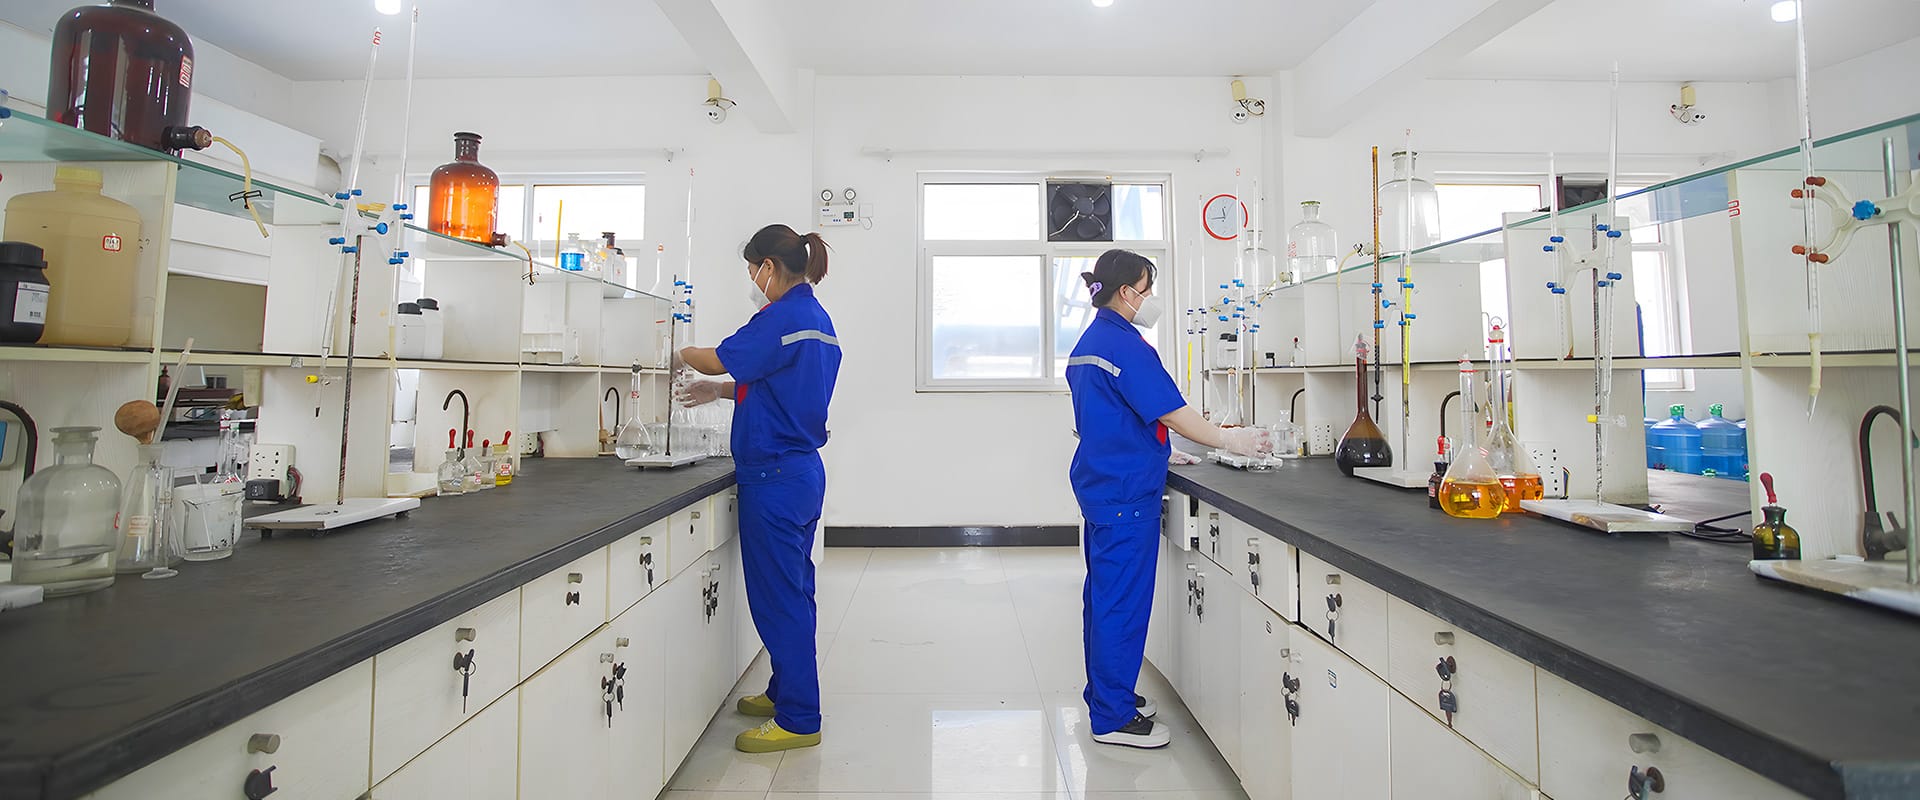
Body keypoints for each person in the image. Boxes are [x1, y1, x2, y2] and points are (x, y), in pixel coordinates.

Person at [1066, 249, 1271, 749]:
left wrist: (1158, 447)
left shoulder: (1091, 341)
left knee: (1104, 598)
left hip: (1103, 484)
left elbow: (1108, 418)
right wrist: (1230, 439)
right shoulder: (1125, 345)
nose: (1151, 298)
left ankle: (1107, 694)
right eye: (1147, 289)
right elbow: (1174, 412)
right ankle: (1112, 718)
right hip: (1125, 494)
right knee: (1122, 604)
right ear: (1125, 292)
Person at [677, 224, 840, 753]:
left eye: (752, 270)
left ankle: (799, 718)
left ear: (769, 266)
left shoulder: (780, 317)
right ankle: (783, 691)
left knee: (778, 600)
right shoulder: (816, 320)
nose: (752, 281)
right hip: (800, 472)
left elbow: (719, 356)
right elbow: (778, 385)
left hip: (774, 477)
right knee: (794, 591)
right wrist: (719, 392)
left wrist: (677, 349)